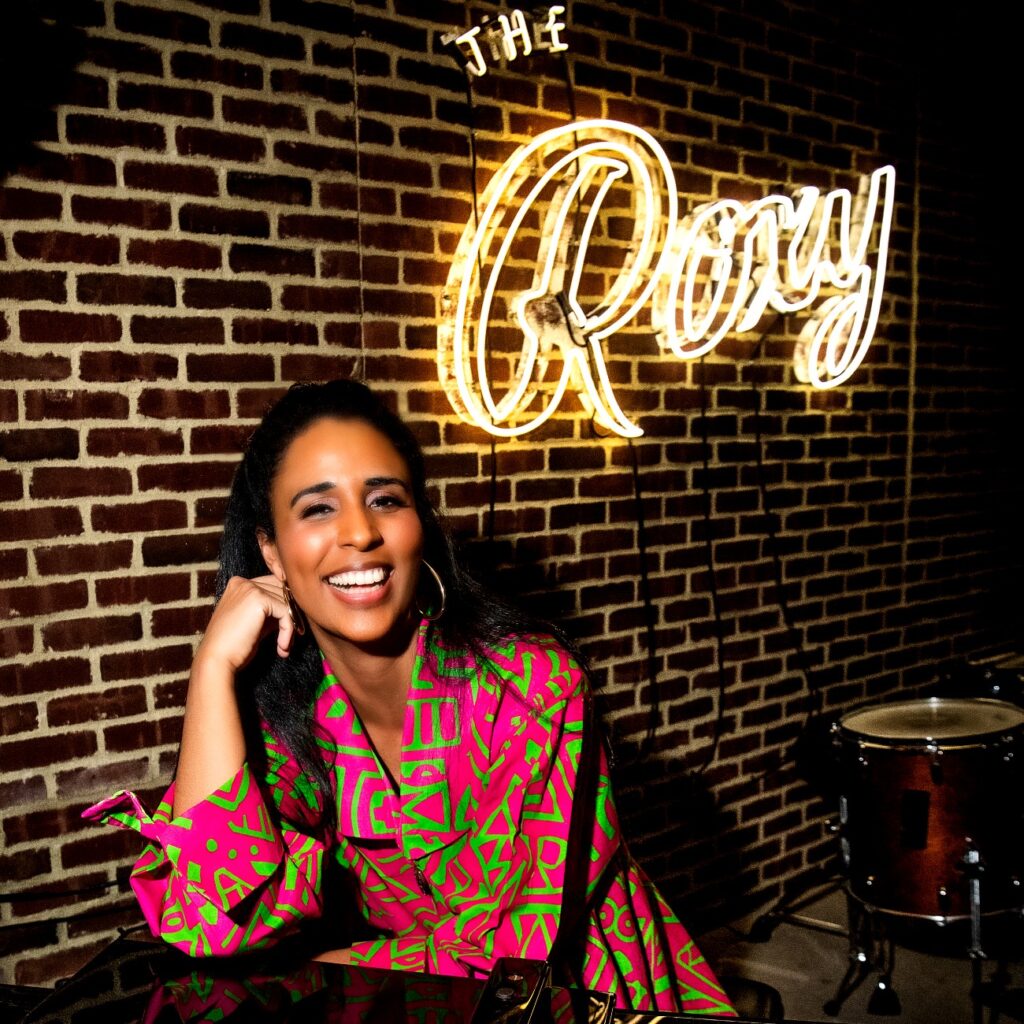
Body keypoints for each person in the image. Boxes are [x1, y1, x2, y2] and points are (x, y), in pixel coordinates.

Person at [84, 380, 735, 1016]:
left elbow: (508, 958)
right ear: (270, 553)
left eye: (386, 499)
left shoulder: (531, 685)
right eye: (317, 508)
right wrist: (212, 670)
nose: (360, 533)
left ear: (419, 523)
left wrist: (317, 973)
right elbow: (208, 922)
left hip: (582, 996)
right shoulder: (295, 718)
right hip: (403, 998)